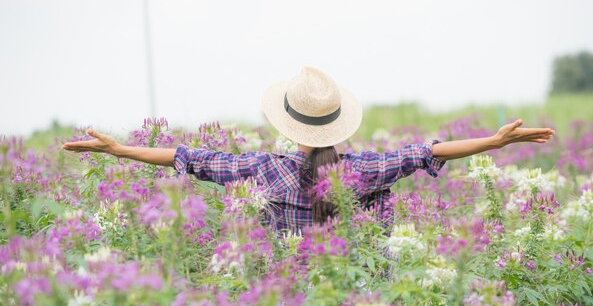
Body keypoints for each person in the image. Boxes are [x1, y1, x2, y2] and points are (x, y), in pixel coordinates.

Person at [63, 67, 555, 234]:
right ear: (339, 125)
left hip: (294, 295)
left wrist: (118, 150)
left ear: (289, 122)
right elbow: (427, 151)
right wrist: (494, 141)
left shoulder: (263, 169)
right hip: (366, 295)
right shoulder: (364, 168)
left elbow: (186, 157)